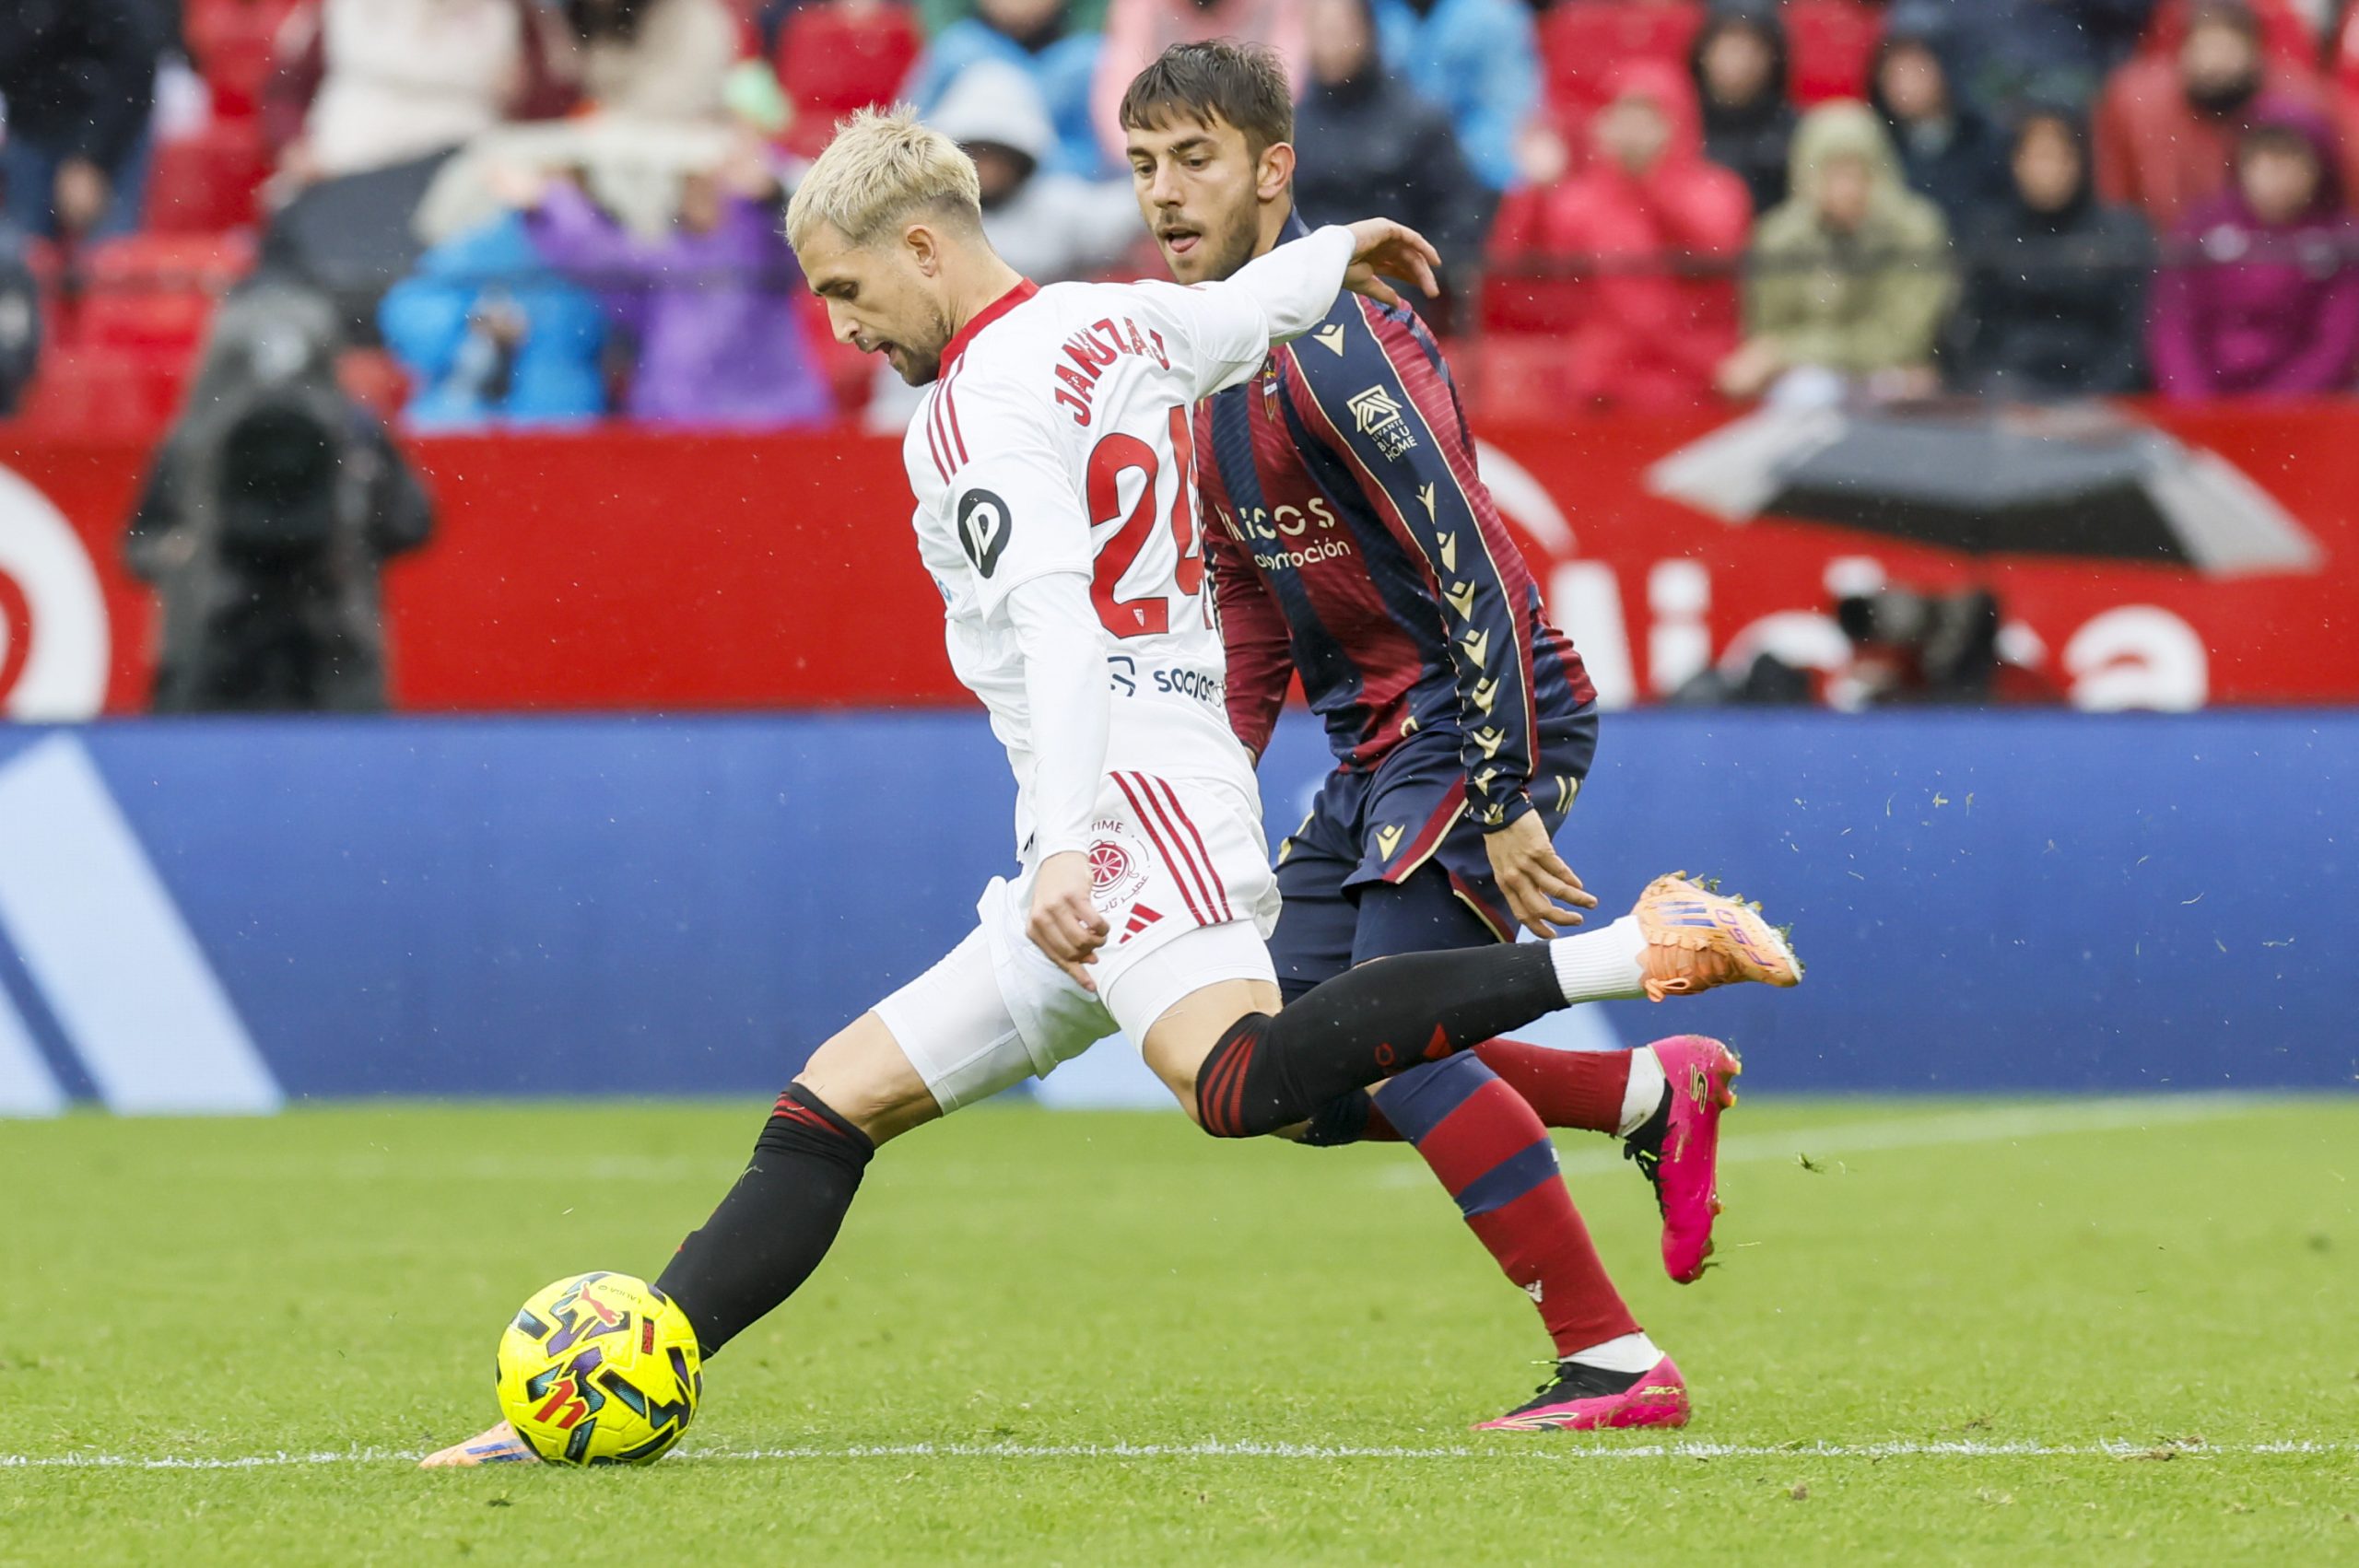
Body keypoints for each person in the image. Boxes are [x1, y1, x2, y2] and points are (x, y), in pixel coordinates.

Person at [420, 105, 1799, 1466]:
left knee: (1240, 1078)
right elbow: (1235, 320)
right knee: (832, 1105)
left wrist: (1074, 842)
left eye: (846, 289)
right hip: (1102, 809)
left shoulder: (972, 413)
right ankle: (606, 1375)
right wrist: (1337, 255)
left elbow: (1062, 619)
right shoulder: (1104, 320)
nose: (840, 325)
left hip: (1123, 806)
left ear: (919, 246)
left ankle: (1638, 949)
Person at [1127, 40, 1761, 1433]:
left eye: (1196, 162)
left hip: (1482, 711)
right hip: (1374, 749)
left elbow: (1474, 555)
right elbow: (1244, 601)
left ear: (1272, 170)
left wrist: (1507, 786)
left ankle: (1614, 1361)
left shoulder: (1345, 339)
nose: (1165, 196)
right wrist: (1204, 787)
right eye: (1144, 168)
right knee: (1277, 1065)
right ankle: (1643, 1091)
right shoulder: (1199, 368)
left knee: (1396, 1037)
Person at [125, 285, 434, 713]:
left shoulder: (192, 437)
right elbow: (412, 523)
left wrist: (182, 551)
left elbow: (139, 544)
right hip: (331, 644)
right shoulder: (357, 430)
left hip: (221, 644)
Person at [1489, 57, 1752, 407]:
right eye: (1622, 114)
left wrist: (1650, 180)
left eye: (1648, 117)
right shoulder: (1576, 200)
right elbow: (1514, 289)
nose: (1634, 130)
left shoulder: (1717, 189)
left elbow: (1712, 253)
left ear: (1678, 120)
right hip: (1601, 387)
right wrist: (1533, 195)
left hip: (1700, 378)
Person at [515, 143, 835, 427]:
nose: (698, 190)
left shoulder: (765, 245)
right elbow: (597, 257)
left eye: (707, 180)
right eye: (687, 180)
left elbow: (818, 236)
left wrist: (773, 194)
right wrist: (551, 201)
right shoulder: (663, 258)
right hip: (675, 431)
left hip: (771, 428)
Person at [1719, 102, 1957, 406]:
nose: (1848, 188)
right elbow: (1767, 327)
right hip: (1807, 379)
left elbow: (1902, 339)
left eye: (1858, 172)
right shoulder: (1781, 236)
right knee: (1803, 393)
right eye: (1833, 173)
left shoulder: (1914, 231)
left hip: (1892, 375)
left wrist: (1788, 351)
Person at [1290, 0, 1496, 303]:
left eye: (1338, 30)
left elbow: (1460, 213)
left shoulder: (1418, 121)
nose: (1329, 44)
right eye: (1319, 31)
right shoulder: (1292, 129)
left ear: (1368, 31)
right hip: (1307, 297)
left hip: (1394, 299)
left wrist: (1419, 272)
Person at [2148, 103, 2359, 399]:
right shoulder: (2201, 226)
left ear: (2319, 167)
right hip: (2205, 407)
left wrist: (2273, 412)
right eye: (2265, 160)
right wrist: (2194, 404)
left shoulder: (2342, 238)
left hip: (2303, 414)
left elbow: (2335, 345)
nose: (2277, 176)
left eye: (2292, 161)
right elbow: (2174, 326)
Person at [2095, 0, 2359, 235]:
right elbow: (2116, 195)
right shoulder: (2137, 104)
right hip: (2169, 254)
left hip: (2281, 248)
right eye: (2206, 47)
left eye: (2228, 47)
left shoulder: (2304, 102)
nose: (2216, 62)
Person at [1951, 107, 2154, 398]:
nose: (2049, 170)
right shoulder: (1990, 234)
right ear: (2015, 163)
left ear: (2081, 161)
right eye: (2037, 157)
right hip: (2008, 394)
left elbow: (2132, 341)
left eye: (2060, 156)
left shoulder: (2121, 234)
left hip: (2099, 403)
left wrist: (2094, 398)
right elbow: (1971, 333)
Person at [378, 205, 611, 429]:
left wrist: (534, 320)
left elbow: (605, 314)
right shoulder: (465, 242)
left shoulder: (578, 239)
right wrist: (470, 319)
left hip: (556, 417)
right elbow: (410, 315)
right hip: (458, 414)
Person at [0, 0, 170, 240]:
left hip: (108, 128)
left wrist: (91, 157)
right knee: (22, 254)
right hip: (33, 127)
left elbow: (133, 71)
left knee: (108, 258)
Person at [902, 0, 1111, 178]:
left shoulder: (1085, 59)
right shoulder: (956, 48)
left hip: (1054, 206)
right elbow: (912, 132)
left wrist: (1028, 168)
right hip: (959, 190)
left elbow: (1099, 153)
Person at [1090, 0, 1307, 168]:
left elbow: (1284, 93)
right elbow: (1120, 102)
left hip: (1251, 159)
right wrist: (1155, 158)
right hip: (1163, 151)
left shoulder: (1275, 7)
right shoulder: (1142, 7)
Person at [1365, 0, 1541, 194]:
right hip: (1386, 176)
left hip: (1473, 177)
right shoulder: (1373, 12)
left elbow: (1508, 114)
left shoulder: (1491, 18)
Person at [1872, 26, 2009, 232]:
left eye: (1915, 71)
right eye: (1894, 74)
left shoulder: (1980, 138)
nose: (1904, 85)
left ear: (1942, 70)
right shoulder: (1878, 142)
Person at [1690, 2, 1798, 217]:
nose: (1741, 59)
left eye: (1754, 46)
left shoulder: (1795, 133)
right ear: (1705, 50)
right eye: (1729, 44)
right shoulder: (1680, 127)